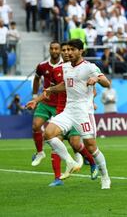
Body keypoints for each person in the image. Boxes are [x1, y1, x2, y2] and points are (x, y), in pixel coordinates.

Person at [41, 39, 111, 189]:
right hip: (68, 111)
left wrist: (97, 78)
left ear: (81, 51)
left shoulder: (89, 67)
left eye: (72, 50)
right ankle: (71, 162)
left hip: (83, 113)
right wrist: (50, 89)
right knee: (48, 134)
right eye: (66, 50)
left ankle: (105, 176)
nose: (68, 53)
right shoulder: (65, 67)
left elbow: (107, 83)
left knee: (91, 147)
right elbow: (66, 85)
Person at [26, 42, 98, 187]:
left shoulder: (83, 69)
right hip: (62, 111)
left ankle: (92, 164)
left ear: (75, 51)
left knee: (76, 144)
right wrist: (36, 100)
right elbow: (50, 90)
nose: (66, 52)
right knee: (51, 138)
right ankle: (58, 177)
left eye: (68, 50)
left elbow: (93, 90)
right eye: (64, 50)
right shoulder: (57, 70)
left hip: (77, 112)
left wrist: (90, 102)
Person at [31, 41, 63, 167]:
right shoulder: (42, 66)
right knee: (35, 126)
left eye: (56, 49)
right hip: (45, 102)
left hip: (60, 104)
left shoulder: (66, 65)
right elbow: (37, 78)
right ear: (49, 50)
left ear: (60, 50)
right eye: (52, 48)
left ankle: (80, 153)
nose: (54, 51)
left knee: (61, 136)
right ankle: (40, 153)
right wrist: (34, 96)